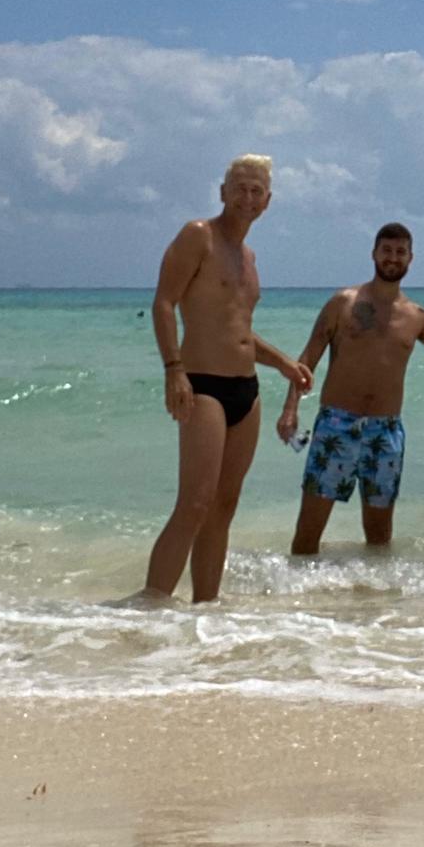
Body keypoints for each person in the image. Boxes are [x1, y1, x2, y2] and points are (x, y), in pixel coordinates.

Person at [141, 155, 312, 603]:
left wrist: (284, 363)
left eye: (257, 190)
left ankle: (205, 611)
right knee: (195, 503)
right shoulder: (198, 235)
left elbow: (238, 331)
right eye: (240, 187)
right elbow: (164, 303)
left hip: (246, 391)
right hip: (202, 385)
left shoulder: (249, 258)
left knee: (223, 507)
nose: (247, 197)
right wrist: (173, 370)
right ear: (223, 192)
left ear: (267, 201)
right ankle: (150, 607)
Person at [276, 223, 424, 553]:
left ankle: (372, 590)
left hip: (386, 431)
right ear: (374, 254)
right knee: (308, 534)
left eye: (400, 252)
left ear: (410, 258)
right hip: (337, 425)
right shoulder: (343, 302)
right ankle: (299, 588)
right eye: (387, 250)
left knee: (379, 539)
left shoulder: (416, 316)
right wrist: (290, 409)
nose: (393, 258)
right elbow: (307, 360)